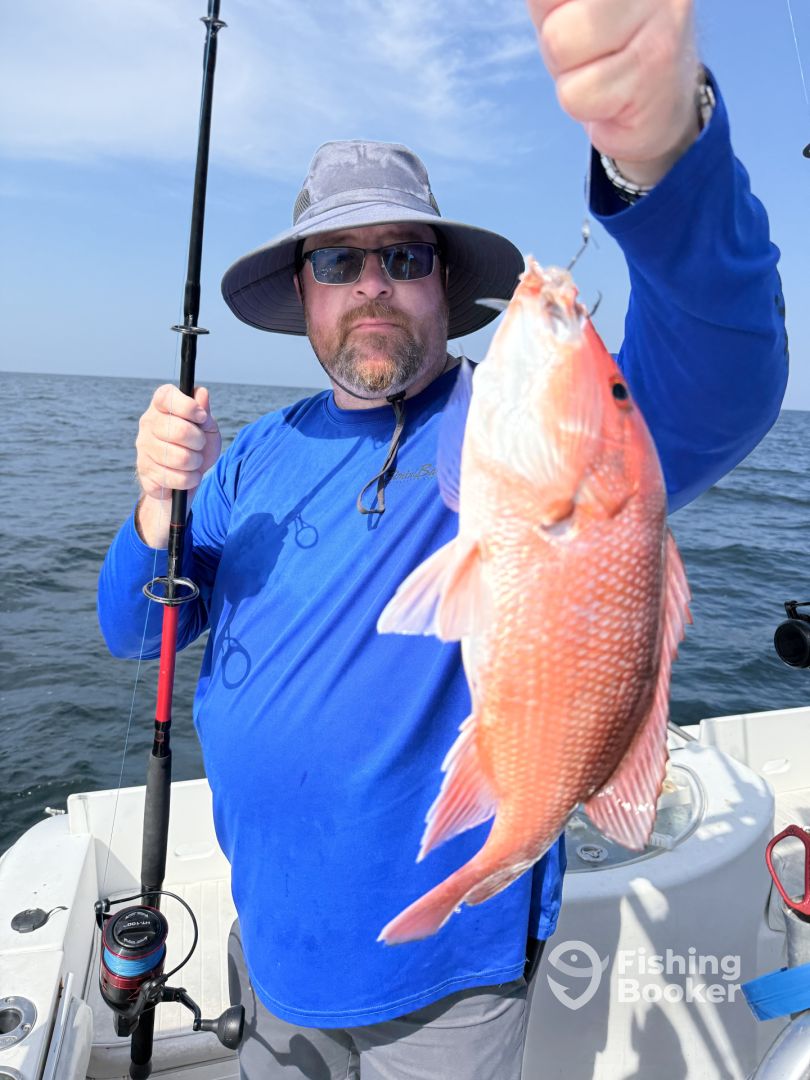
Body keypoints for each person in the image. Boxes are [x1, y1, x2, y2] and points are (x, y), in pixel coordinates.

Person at [98, 1, 788, 1076]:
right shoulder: (251, 458)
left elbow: (722, 375)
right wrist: (155, 509)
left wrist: (662, 155)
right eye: (338, 261)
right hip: (271, 943)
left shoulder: (521, 435)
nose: (371, 282)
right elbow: (135, 633)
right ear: (302, 294)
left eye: (404, 255)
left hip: (450, 976)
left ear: (445, 285)